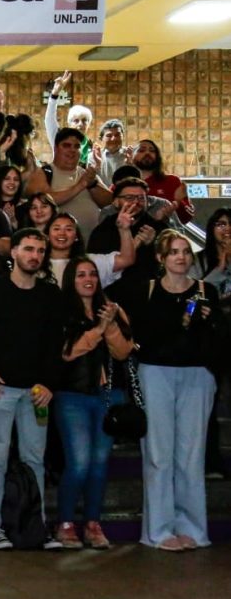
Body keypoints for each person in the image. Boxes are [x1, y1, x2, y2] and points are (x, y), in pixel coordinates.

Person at [113, 231, 228, 550]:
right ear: (161, 258)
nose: (181, 257)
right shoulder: (147, 290)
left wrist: (210, 319)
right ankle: (159, 530)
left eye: (185, 252)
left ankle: (193, 528)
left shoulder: (206, 291)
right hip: (156, 373)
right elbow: (141, 334)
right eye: (174, 252)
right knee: (159, 454)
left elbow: (220, 335)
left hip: (197, 375)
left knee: (191, 455)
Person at [0, 228, 67, 551]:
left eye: (40, 250)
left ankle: (35, 526)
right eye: (28, 249)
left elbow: (55, 344)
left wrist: (49, 383)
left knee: (35, 460)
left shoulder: (50, 295)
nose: (34, 255)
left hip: (36, 392)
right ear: (13, 252)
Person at [53, 256, 135, 550]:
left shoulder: (114, 309)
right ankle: (65, 523)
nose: (88, 280)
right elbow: (68, 352)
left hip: (108, 395)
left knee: (99, 464)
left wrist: (110, 325)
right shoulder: (61, 311)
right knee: (79, 463)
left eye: (92, 274)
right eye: (81, 275)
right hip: (72, 395)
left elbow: (123, 352)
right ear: (71, 280)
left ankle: (92, 523)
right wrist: (99, 328)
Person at [24, 127, 112, 241]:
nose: (72, 150)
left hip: (93, 245)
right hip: (59, 245)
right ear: (56, 148)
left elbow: (110, 203)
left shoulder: (87, 174)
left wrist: (91, 184)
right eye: (66, 145)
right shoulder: (43, 173)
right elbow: (43, 202)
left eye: (77, 146)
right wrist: (80, 185)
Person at [197, 208, 231, 479]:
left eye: (230, 224)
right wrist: (220, 267)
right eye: (220, 224)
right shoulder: (198, 260)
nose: (226, 229)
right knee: (209, 402)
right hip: (211, 338)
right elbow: (194, 295)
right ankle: (211, 462)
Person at [45, 210, 143, 289]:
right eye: (56, 229)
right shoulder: (38, 263)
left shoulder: (91, 262)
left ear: (76, 236)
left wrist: (124, 229)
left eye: (68, 229)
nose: (62, 233)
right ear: (47, 235)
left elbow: (126, 259)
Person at [132, 139, 195, 225]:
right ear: (132, 156)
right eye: (142, 150)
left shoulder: (172, 181)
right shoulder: (124, 182)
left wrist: (178, 203)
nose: (147, 153)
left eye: (152, 151)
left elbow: (186, 218)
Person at [0, 165, 24, 232]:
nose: (12, 182)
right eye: (7, 178)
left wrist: (13, 221)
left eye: (16, 179)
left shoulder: (26, 206)